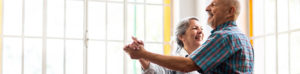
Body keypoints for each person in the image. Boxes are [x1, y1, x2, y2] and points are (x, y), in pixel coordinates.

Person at [124, 0, 254, 73]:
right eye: (195, 28)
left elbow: (187, 65)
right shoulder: (242, 38)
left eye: (213, 5)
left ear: (230, 11)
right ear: (181, 36)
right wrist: (143, 57)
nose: (207, 8)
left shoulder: (223, 37)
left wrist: (144, 53)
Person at [139, 17, 204, 74]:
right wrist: (146, 64)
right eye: (195, 28)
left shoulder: (206, 58)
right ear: (181, 36)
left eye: (202, 29)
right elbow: (158, 71)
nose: (200, 31)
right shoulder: (174, 60)